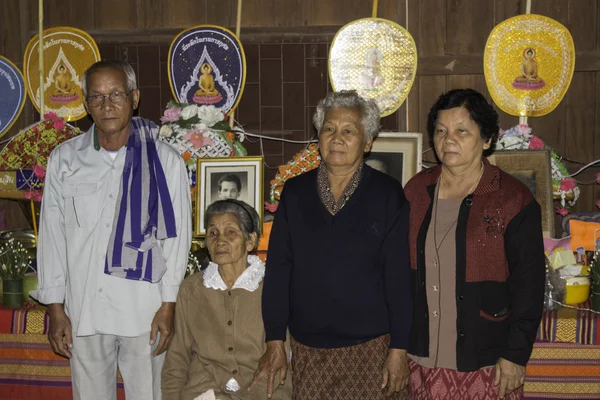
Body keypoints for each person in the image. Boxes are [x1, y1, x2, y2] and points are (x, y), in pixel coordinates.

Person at [31, 60, 192, 400]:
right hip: (85, 308)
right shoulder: (65, 160)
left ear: (135, 98)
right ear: (86, 104)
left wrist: (168, 304)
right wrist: (56, 309)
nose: (107, 105)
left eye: (116, 94)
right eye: (97, 96)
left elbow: (176, 241)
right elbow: (52, 238)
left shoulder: (164, 161)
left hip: (144, 310)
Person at [250, 90, 412, 399]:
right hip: (310, 349)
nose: (337, 138)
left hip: (372, 347)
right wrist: (274, 339)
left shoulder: (387, 195)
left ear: (367, 142)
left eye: (349, 131)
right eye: (329, 129)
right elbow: (279, 269)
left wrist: (399, 347)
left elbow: (398, 277)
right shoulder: (296, 193)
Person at [404, 89, 545, 400]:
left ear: (487, 140)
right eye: (440, 130)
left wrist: (515, 354)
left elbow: (530, 284)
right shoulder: (416, 191)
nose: (448, 139)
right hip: (422, 357)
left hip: (485, 360)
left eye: (462, 130)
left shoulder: (512, 199)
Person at [162, 199, 292, 400]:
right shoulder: (191, 290)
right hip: (204, 393)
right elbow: (177, 360)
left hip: (262, 393)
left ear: (250, 241)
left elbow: (282, 359)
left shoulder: (272, 288)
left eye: (231, 232)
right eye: (213, 233)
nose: (220, 240)